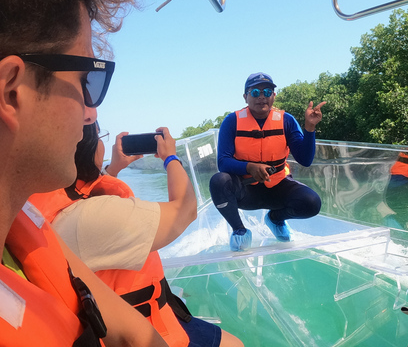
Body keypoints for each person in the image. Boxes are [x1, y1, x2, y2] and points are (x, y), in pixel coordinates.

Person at [0, 0, 166, 345]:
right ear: (13, 91)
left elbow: (137, 336)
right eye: (91, 78)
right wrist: (170, 161)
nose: (93, 111)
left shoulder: (21, 224)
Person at [29, 123, 244, 347]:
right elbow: (185, 210)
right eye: (100, 136)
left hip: (154, 312)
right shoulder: (91, 218)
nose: (103, 143)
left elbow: (82, 199)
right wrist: (170, 157)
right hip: (148, 326)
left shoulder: (51, 208)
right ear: (83, 148)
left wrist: (112, 168)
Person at [209, 72, 326, 249]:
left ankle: (275, 219)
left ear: (274, 96)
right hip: (246, 191)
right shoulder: (231, 121)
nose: (262, 97)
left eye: (267, 92)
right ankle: (239, 230)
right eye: (255, 92)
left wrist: (309, 128)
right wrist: (249, 167)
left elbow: (305, 159)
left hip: (278, 187)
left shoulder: (287, 121)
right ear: (245, 97)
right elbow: (223, 162)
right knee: (218, 181)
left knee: (311, 203)